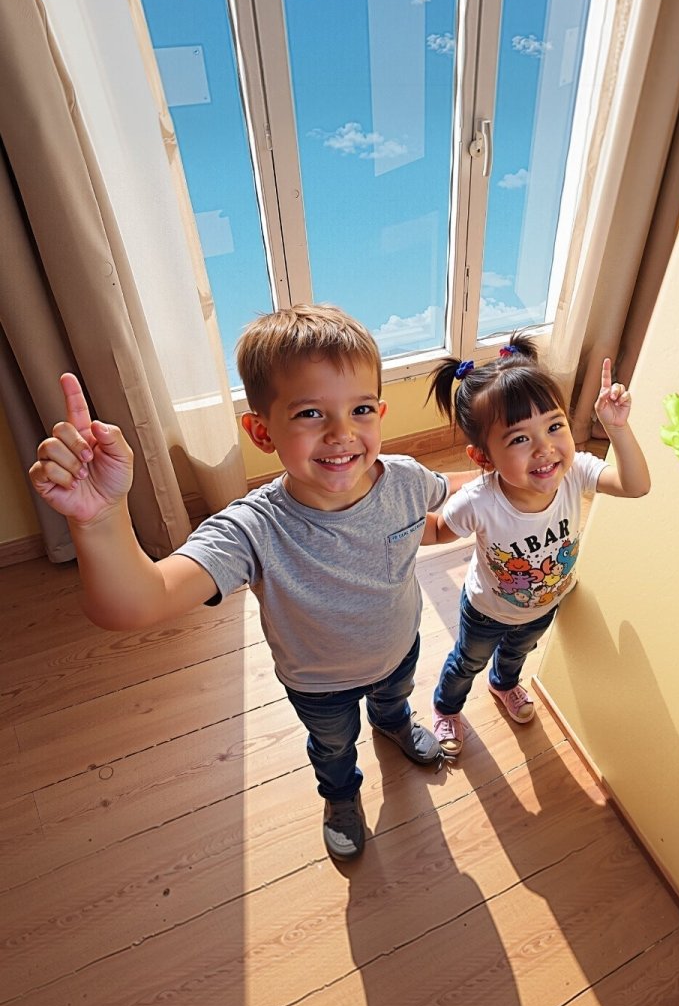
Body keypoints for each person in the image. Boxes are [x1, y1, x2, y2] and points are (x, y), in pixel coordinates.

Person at [28, 304, 475, 861]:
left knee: (395, 698)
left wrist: (513, 475)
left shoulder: (405, 477)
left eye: (360, 408)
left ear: (380, 413)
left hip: (399, 647)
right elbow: (136, 604)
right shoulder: (253, 529)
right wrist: (99, 520)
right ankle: (340, 797)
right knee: (334, 748)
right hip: (319, 684)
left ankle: (394, 723)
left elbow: (445, 510)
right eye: (311, 413)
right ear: (262, 431)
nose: (342, 433)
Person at [423, 333, 650, 756]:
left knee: (516, 656)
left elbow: (635, 486)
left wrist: (616, 429)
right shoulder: (480, 500)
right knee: (465, 663)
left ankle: (504, 684)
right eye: (519, 439)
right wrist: (385, 517)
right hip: (486, 611)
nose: (545, 448)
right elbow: (436, 530)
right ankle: (446, 707)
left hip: (545, 604)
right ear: (483, 458)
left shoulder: (575, 472)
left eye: (554, 426)